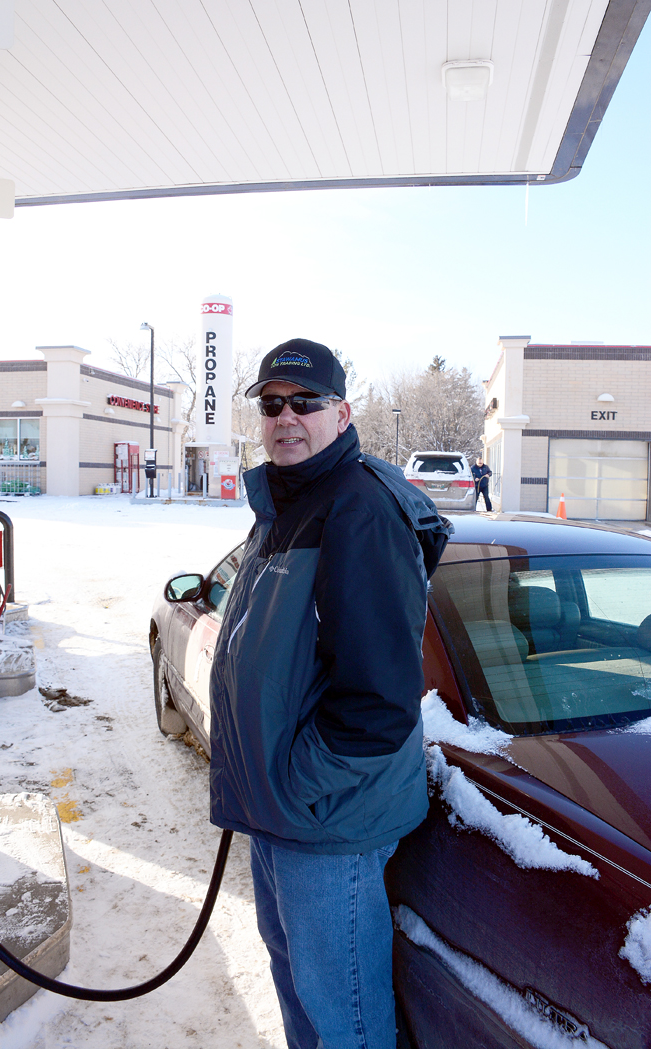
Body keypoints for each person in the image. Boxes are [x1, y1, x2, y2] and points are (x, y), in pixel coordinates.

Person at [210, 339, 452, 1049]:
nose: (287, 416)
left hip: (327, 824)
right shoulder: (290, 503)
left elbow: (378, 702)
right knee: (304, 1004)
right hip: (287, 818)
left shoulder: (358, 510)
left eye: (305, 402)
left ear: (341, 413)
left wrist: (296, 782)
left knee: (342, 1020)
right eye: (272, 403)